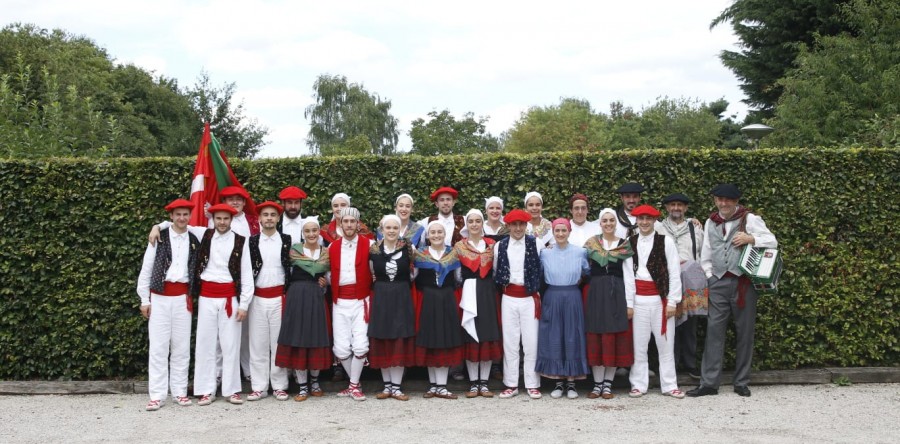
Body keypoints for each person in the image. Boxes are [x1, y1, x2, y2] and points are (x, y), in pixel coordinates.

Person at [688, 184, 777, 398]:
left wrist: (751, 239)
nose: (723, 203)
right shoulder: (711, 221)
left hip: (743, 282)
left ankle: (742, 382)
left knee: (744, 333)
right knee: (713, 332)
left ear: (736, 201)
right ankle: (709, 383)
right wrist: (710, 275)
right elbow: (706, 252)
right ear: (715, 201)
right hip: (718, 282)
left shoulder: (750, 219)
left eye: (728, 200)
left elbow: (773, 241)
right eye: (719, 199)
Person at [136, 199, 199, 411]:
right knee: (159, 347)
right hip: (160, 297)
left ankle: (180, 392)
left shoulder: (194, 236)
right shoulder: (159, 237)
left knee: (181, 347)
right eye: (178, 214)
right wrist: (145, 299)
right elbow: (146, 269)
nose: (182, 218)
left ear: (189, 216)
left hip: (182, 298)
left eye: (185, 214)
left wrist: (158, 224)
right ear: (171, 216)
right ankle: (157, 395)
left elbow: (216, 228)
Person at [190, 203, 254, 406]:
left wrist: (244, 304)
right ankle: (206, 390)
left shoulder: (241, 242)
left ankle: (231, 389)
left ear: (231, 220)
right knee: (205, 343)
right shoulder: (204, 234)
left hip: (229, 298)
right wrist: (157, 226)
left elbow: (246, 274)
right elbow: (177, 224)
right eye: (219, 218)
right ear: (213, 219)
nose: (222, 222)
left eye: (226, 219)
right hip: (207, 296)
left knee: (231, 344)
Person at [628, 204, 684, 399]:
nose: (644, 222)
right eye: (641, 219)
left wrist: (672, 301)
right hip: (638, 300)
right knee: (639, 346)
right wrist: (629, 303)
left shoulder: (665, 241)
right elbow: (628, 276)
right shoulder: (630, 242)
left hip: (661, 300)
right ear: (636, 220)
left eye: (648, 219)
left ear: (654, 221)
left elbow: (674, 273)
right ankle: (638, 384)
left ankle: (669, 385)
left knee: (666, 345)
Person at [274, 217, 331, 402]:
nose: (312, 234)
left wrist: (326, 282)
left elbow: (329, 275)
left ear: (319, 232)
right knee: (298, 338)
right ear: (302, 233)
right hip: (297, 296)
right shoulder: (294, 251)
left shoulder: (326, 253)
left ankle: (315, 382)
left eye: (315, 230)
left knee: (315, 337)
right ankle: (302, 386)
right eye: (308, 231)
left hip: (316, 296)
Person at [582, 208, 636, 399]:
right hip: (596, 293)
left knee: (613, 336)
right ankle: (597, 384)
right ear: (600, 223)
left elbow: (629, 275)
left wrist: (630, 304)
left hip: (616, 293)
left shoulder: (624, 245)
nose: (608, 224)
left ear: (615, 223)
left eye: (611, 220)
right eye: (605, 220)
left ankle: (607, 384)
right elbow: (584, 269)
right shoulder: (591, 244)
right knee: (596, 334)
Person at [535, 218, 590, 399]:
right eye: (557, 231)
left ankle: (572, 383)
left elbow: (587, 273)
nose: (560, 234)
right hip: (552, 296)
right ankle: (558, 381)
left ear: (569, 232)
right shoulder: (545, 253)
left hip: (572, 296)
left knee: (572, 336)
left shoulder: (580, 252)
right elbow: (540, 276)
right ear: (552, 232)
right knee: (554, 336)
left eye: (563, 230)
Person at [494, 209, 544, 399]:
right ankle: (511, 383)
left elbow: (542, 269)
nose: (517, 228)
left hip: (530, 297)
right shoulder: (500, 246)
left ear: (526, 226)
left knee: (531, 342)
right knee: (510, 341)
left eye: (521, 224)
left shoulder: (536, 243)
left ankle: (532, 383)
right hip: (509, 297)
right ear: (508, 226)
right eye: (513, 224)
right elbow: (496, 270)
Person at [655, 193, 706, 379]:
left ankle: (691, 364)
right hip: (668, 279)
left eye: (680, 205)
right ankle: (672, 364)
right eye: (672, 205)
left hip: (691, 279)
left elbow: (701, 254)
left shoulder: (695, 228)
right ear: (667, 208)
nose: (676, 208)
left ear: (685, 208)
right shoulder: (658, 227)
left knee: (691, 323)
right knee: (670, 321)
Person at [246, 201, 292, 402]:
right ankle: (259, 386)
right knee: (258, 343)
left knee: (278, 343)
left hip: (279, 297)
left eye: (273, 215)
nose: (269, 218)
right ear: (259, 218)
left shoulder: (288, 240)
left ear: (278, 218)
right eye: (265, 215)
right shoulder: (251, 241)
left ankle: (280, 385)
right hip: (257, 298)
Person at [368, 215, 417, 401]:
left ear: (400, 230)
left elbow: (414, 273)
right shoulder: (373, 250)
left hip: (401, 296)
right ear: (381, 229)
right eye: (387, 227)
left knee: (398, 339)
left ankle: (396, 387)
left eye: (395, 228)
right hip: (381, 296)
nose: (391, 231)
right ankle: (387, 386)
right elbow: (371, 271)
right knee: (383, 338)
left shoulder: (409, 248)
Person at [454, 209, 502, 398]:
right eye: (471, 221)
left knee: (487, 333)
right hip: (469, 289)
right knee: (471, 335)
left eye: (478, 221)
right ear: (467, 224)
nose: (474, 224)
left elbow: (497, 269)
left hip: (488, 290)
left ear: (483, 224)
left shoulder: (492, 245)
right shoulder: (459, 246)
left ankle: (485, 382)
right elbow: (457, 274)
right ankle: (474, 382)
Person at [414, 221, 464, 399]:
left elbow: (458, 278)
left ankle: (442, 385)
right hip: (428, 299)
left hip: (447, 299)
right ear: (427, 236)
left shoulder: (453, 254)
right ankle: (433, 385)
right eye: (432, 232)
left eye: (439, 232)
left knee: (444, 339)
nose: (436, 235)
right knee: (430, 339)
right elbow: (413, 277)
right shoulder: (420, 255)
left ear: (445, 234)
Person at [328, 207, 374, 401]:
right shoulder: (332, 247)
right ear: (340, 223)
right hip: (339, 301)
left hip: (361, 300)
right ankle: (355, 383)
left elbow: (375, 270)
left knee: (361, 345)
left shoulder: (370, 245)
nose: (348, 225)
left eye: (352, 221)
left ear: (358, 223)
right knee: (340, 348)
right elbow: (328, 273)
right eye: (345, 221)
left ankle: (353, 385)